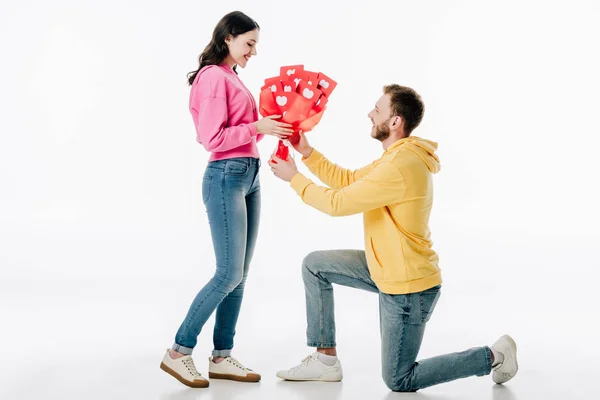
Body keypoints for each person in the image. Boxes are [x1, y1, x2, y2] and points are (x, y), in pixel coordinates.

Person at [268, 84, 518, 392]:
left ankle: (493, 355)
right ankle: (325, 360)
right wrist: (305, 152)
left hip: (408, 287)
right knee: (315, 265)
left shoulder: (400, 165)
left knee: (399, 379)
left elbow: (338, 203)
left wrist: (294, 177)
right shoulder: (395, 157)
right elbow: (348, 180)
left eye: (377, 109)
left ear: (395, 121)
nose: (370, 115)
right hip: (385, 268)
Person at [160, 11, 293, 388]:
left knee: (240, 276)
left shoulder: (232, 77)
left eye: (255, 45)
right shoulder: (213, 78)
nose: (253, 51)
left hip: (248, 175)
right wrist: (256, 126)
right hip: (226, 177)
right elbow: (211, 139)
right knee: (228, 274)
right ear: (229, 38)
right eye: (249, 43)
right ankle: (178, 352)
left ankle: (221, 357)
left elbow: (242, 134)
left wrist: (268, 127)